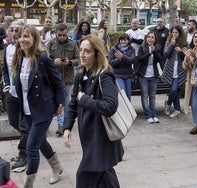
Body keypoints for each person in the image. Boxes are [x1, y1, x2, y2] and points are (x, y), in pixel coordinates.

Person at [63, 34, 124, 188]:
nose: (82, 55)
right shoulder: (81, 75)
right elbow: (72, 104)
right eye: (81, 50)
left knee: (84, 176)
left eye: (87, 51)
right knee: (105, 176)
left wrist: (85, 100)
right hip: (89, 137)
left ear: (97, 54)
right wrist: (67, 127)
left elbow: (110, 106)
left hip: (101, 139)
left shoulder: (105, 76)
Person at [12, 25, 65, 187]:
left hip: (43, 108)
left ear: (34, 39)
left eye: (26, 36)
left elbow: (58, 83)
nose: (22, 39)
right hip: (27, 110)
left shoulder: (43, 58)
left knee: (31, 147)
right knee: (40, 141)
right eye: (21, 36)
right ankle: (57, 168)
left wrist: (61, 103)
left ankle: (28, 184)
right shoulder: (20, 57)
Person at [2, 21, 28, 173]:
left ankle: (23, 154)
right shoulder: (8, 48)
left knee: (25, 124)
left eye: (16, 30)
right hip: (11, 91)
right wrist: (6, 85)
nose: (13, 32)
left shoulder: (27, 49)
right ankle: (32, 139)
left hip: (25, 92)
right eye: (11, 29)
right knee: (13, 120)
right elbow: (5, 68)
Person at [46, 23, 79, 136]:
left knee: (66, 102)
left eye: (64, 35)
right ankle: (60, 124)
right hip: (54, 78)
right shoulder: (50, 44)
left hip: (67, 78)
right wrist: (53, 62)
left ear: (67, 34)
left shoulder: (73, 44)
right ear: (56, 33)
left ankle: (64, 124)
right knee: (57, 102)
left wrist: (70, 62)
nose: (61, 37)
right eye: (59, 35)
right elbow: (44, 59)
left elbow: (78, 59)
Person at [182, 31, 197, 134]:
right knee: (194, 105)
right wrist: (187, 58)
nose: (196, 39)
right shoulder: (191, 50)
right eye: (195, 37)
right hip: (192, 81)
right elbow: (185, 67)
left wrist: (194, 58)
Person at [161, 25, 187, 119]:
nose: (174, 34)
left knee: (174, 90)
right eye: (173, 32)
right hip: (170, 69)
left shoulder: (184, 43)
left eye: (176, 32)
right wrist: (172, 45)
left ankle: (168, 104)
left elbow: (186, 57)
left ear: (180, 33)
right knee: (175, 91)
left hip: (180, 69)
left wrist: (181, 51)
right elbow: (166, 55)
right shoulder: (168, 42)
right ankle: (177, 110)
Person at [137, 31, 162, 123]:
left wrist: (154, 51)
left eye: (152, 37)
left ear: (155, 39)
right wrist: (148, 53)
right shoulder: (142, 47)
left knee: (152, 96)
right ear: (146, 38)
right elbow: (139, 59)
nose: (150, 39)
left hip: (153, 75)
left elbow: (160, 59)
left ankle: (154, 114)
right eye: (149, 37)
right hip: (143, 75)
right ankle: (148, 115)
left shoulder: (157, 47)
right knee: (144, 96)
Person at [108, 33, 136, 101]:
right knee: (123, 94)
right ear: (119, 40)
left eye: (125, 40)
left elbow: (132, 60)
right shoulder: (114, 49)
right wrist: (119, 59)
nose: (123, 42)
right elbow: (111, 62)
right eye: (122, 40)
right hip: (118, 75)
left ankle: (129, 110)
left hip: (128, 75)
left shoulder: (131, 49)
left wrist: (123, 57)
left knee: (128, 95)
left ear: (128, 41)